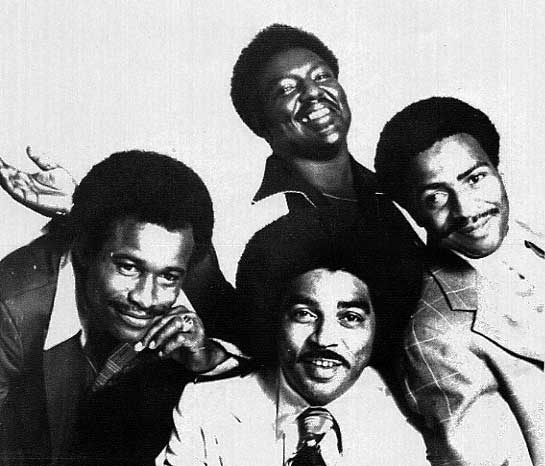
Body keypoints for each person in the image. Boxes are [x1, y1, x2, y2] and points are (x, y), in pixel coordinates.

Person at [0, 150, 240, 466]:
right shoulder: (11, 308)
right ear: (84, 250)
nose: (146, 298)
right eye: (128, 267)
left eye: (169, 276)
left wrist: (206, 356)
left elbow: (264, 355)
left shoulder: (193, 264)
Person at [157, 211, 427, 466]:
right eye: (304, 314)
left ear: (379, 326)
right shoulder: (204, 408)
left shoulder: (417, 415)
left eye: (350, 317)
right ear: (274, 317)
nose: (324, 339)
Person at [374, 96, 544, 465]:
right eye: (436, 197)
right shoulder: (433, 339)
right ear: (414, 212)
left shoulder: (537, 241)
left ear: (497, 170)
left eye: (475, 179)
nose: (466, 210)